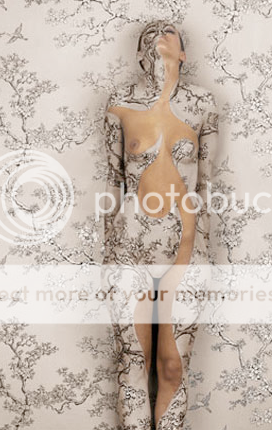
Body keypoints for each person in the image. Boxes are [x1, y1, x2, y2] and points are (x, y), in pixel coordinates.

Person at [101, 20, 219, 430]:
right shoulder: (119, 103)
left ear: (183, 54)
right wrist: (108, 249)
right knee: (133, 363)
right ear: (139, 55)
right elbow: (114, 181)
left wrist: (202, 251)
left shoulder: (203, 103)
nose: (160, 31)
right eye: (149, 34)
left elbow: (205, 184)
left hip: (185, 248)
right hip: (129, 247)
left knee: (172, 366)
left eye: (170, 32)